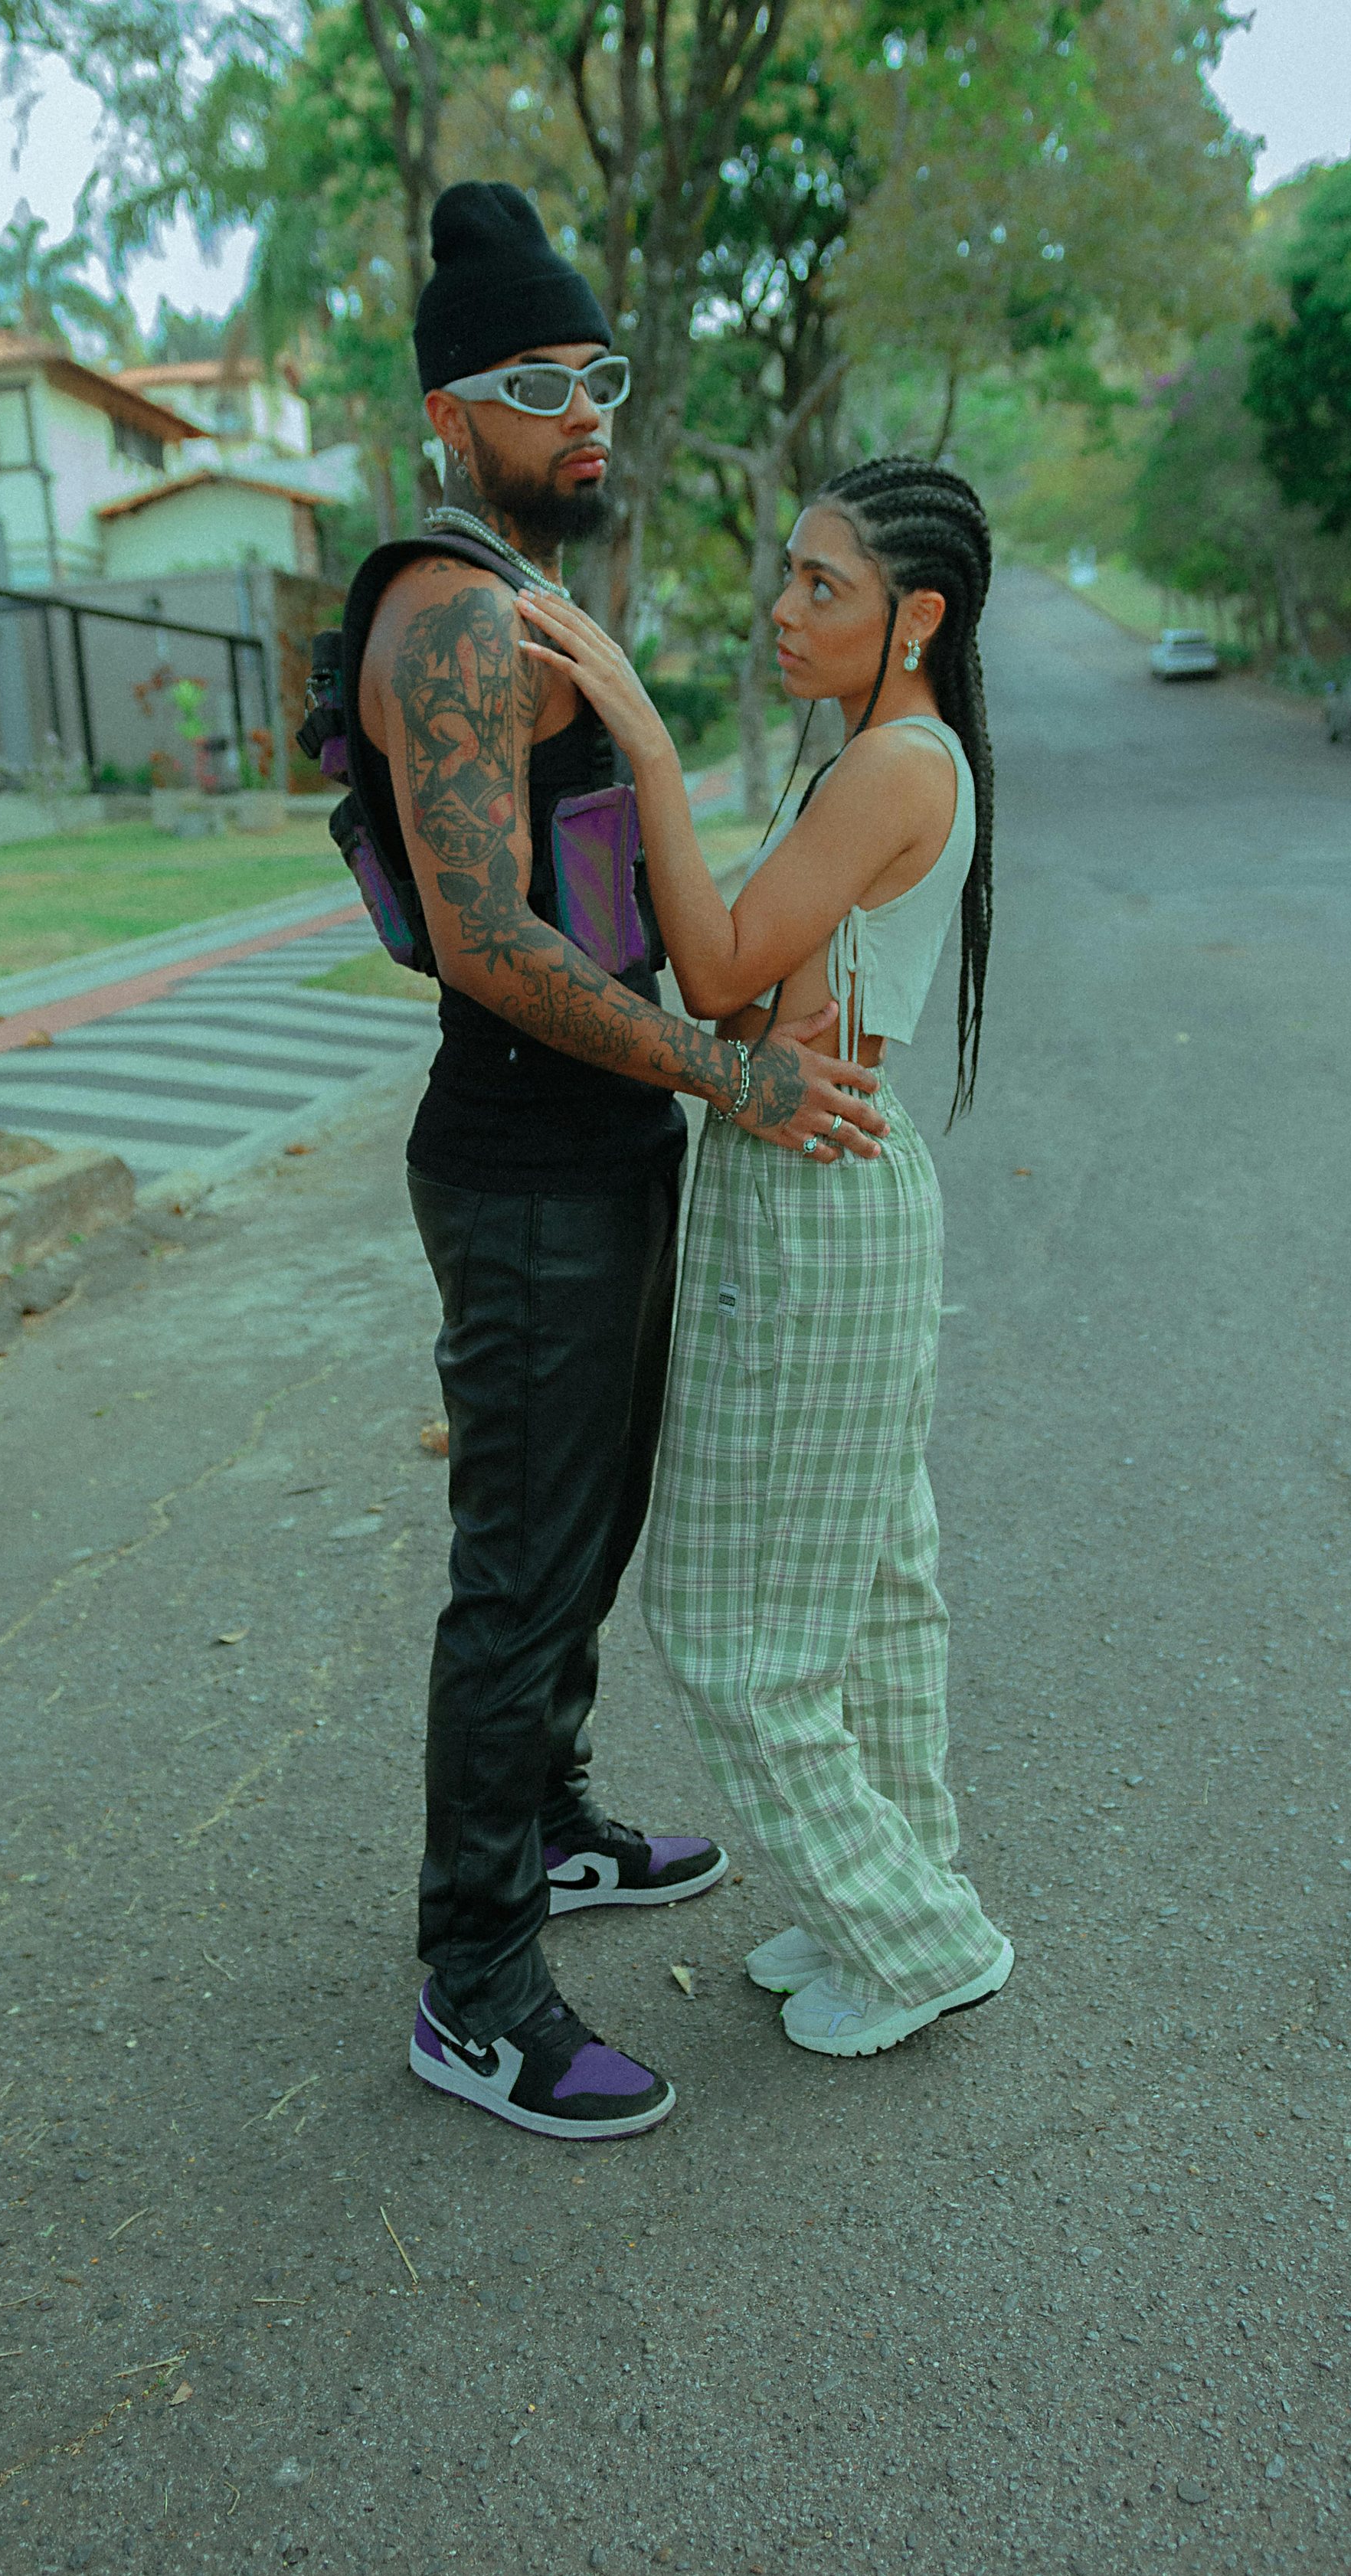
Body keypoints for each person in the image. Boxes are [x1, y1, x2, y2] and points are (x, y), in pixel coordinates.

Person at [345, 181, 888, 2142]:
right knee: (520, 1573)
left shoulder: (522, 587)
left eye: (601, 376)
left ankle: (553, 1821)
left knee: (582, 1537)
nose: (582, 411)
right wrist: (728, 1076)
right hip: (522, 1169)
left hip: (596, 1144)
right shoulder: (452, 617)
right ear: (449, 414)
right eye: (535, 384)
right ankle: (476, 1985)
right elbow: (492, 938)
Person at [515, 454, 1014, 2061]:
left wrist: (650, 745)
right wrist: (732, 999)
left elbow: (720, 959)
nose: (784, 609)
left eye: (823, 586)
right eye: (789, 574)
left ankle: (919, 1936)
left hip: (814, 1202)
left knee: (735, 1630)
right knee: (872, 1586)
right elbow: (731, 999)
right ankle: (894, 1886)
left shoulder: (891, 765)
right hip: (824, 1182)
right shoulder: (874, 757)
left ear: (915, 617)